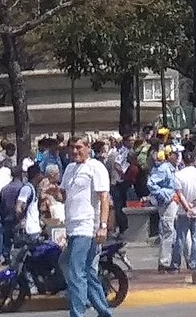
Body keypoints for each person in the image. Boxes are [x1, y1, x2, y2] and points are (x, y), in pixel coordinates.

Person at [56, 135, 114, 317]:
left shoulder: (96, 167)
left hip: (87, 227)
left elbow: (104, 197)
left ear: (88, 148)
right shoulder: (70, 169)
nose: (75, 151)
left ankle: (78, 313)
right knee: (82, 270)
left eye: (79, 147)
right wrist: (54, 192)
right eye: (72, 147)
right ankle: (104, 312)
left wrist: (103, 226)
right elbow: (64, 196)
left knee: (75, 271)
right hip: (72, 227)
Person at [147, 146, 180, 273]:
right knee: (168, 231)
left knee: (174, 231)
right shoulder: (163, 169)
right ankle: (164, 262)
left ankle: (172, 260)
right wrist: (166, 195)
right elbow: (151, 183)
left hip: (173, 202)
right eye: (175, 154)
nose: (178, 156)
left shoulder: (172, 169)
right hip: (167, 203)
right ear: (169, 155)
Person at [171, 151, 196, 270]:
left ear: (183, 160)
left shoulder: (178, 175)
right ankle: (194, 262)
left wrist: (187, 208)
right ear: (194, 161)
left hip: (183, 211)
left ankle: (176, 264)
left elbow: (179, 194)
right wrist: (193, 205)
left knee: (180, 237)